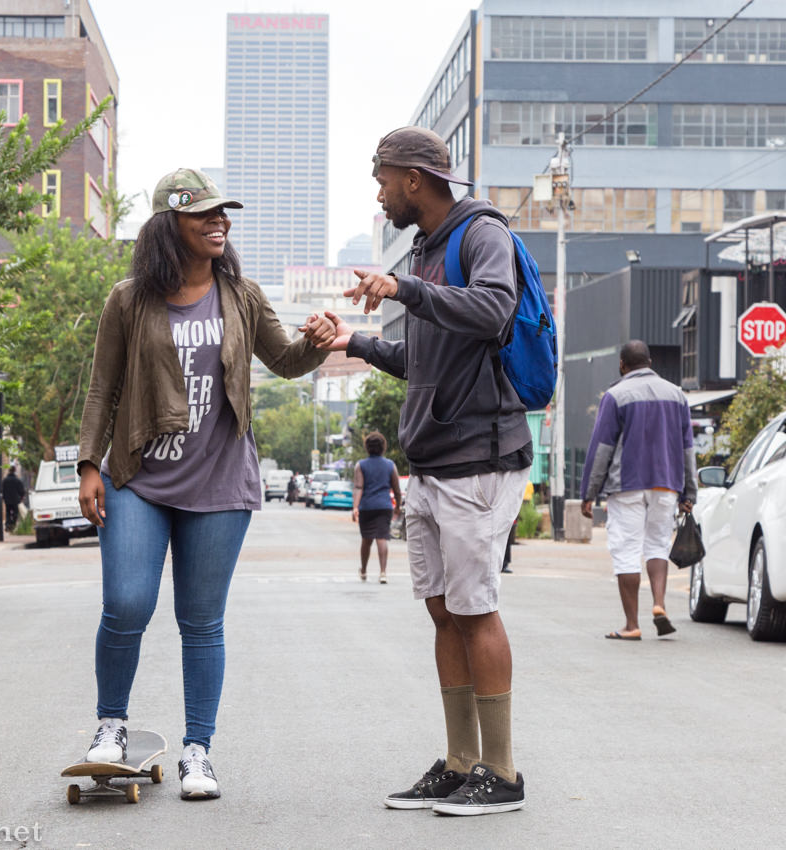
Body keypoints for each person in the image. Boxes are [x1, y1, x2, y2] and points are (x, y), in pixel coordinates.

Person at [76, 168, 334, 800]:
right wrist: (89, 465)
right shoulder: (128, 299)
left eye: (224, 215)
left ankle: (199, 750)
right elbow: (103, 386)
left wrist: (319, 342)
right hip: (139, 475)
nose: (220, 222)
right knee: (128, 604)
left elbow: (284, 360)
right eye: (205, 215)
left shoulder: (240, 294)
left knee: (201, 620)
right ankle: (111, 727)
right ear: (173, 225)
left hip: (219, 482)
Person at [319, 126, 531, 815]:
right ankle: (460, 760)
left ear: (414, 178)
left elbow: (496, 308)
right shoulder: (427, 249)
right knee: (443, 612)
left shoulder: (480, 233)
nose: (379, 195)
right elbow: (422, 360)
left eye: (382, 180)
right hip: (432, 461)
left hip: (480, 454)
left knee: (475, 609)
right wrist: (351, 341)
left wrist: (406, 289)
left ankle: (501, 772)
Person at [580, 340, 696, 641]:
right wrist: (689, 493)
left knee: (626, 550)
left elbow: (601, 449)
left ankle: (632, 625)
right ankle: (658, 604)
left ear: (622, 364)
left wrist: (589, 492)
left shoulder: (615, 396)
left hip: (627, 484)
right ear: (651, 361)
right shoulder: (677, 395)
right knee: (657, 545)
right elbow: (687, 448)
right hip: (666, 483)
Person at [352, 431, 401, 583]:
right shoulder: (390, 465)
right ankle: (383, 573)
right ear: (383, 447)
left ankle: (364, 571)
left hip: (367, 506)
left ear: (367, 447)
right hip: (384, 506)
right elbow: (397, 488)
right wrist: (398, 506)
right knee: (382, 538)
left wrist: (355, 507)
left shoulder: (360, 465)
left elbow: (359, 487)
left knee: (366, 539)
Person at [2, 465, 27, 531]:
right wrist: (21, 497)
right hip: (15, 500)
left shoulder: (5, 480)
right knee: (15, 513)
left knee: (8, 512)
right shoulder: (17, 480)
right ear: (14, 470)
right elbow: (22, 490)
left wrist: (4, 497)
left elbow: (2, 490)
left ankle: (8, 525)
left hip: (7, 500)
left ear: (9, 471)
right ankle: (13, 525)